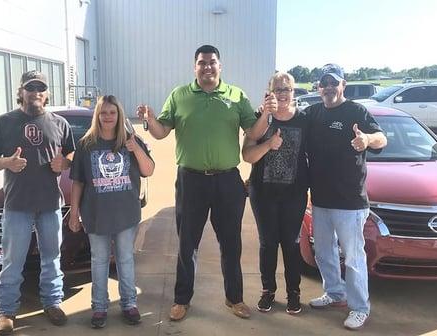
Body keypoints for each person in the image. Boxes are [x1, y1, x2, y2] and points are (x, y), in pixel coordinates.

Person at [137, 44, 273, 321]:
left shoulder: (236, 95)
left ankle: (234, 298)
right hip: (191, 181)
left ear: (220, 66)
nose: (207, 67)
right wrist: (150, 120)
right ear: (195, 67)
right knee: (187, 244)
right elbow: (161, 132)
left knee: (231, 244)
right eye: (202, 62)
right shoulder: (180, 95)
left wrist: (267, 114)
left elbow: (253, 130)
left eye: (212, 62)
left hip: (228, 182)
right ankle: (181, 300)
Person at [0, 70, 75, 336]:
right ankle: (7, 311)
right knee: (12, 260)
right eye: (30, 87)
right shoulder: (4, 122)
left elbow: (70, 153)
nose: (36, 92)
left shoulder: (59, 123)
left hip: (49, 204)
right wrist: (6, 163)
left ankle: (52, 302)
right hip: (17, 204)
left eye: (41, 88)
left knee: (52, 258)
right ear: (21, 91)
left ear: (47, 94)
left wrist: (65, 163)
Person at [305, 64, 387, 330]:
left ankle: (360, 307)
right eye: (324, 83)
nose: (328, 87)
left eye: (333, 83)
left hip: (350, 200)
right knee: (324, 252)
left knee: (353, 256)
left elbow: (381, 138)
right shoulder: (313, 113)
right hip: (320, 198)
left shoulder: (356, 111)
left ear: (343, 85)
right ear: (318, 87)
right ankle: (335, 293)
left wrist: (367, 139)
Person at [68, 95, 154, 329]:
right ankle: (99, 307)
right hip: (96, 214)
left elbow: (148, 170)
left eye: (112, 112)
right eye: (103, 112)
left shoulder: (131, 140)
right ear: (97, 115)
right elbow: (77, 182)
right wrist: (74, 212)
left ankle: (129, 304)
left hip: (126, 214)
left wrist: (135, 148)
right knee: (99, 261)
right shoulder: (86, 145)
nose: (108, 117)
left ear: (119, 115)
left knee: (125, 259)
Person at [242, 72, 308, 315]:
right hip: (263, 192)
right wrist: (268, 144)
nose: (282, 93)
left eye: (287, 89)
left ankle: (294, 292)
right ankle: (268, 290)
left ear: (293, 92)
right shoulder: (259, 118)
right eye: (277, 89)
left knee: (291, 244)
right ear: (269, 93)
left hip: (294, 193)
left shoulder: (305, 119)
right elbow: (247, 155)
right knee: (268, 243)